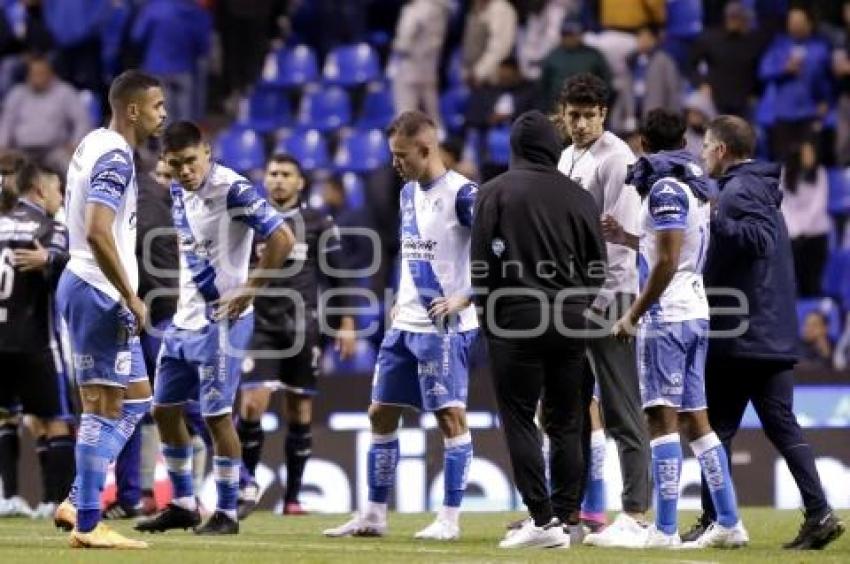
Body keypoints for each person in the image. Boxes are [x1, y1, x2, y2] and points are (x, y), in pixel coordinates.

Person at [686, 115, 845, 549]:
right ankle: (819, 514)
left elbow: (754, 241)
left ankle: (716, 520)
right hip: (766, 331)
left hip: (742, 334)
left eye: (705, 147)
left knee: (714, 429)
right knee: (779, 426)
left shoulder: (738, 191)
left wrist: (715, 215)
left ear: (720, 149)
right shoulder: (757, 187)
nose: (702, 156)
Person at [133, 121, 294, 536]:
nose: (185, 171)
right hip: (184, 320)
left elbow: (283, 238)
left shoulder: (233, 189)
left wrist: (249, 289)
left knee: (217, 416)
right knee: (164, 411)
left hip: (223, 321)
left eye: (191, 162)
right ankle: (185, 503)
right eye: (175, 165)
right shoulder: (176, 190)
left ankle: (226, 510)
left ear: (207, 152)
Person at [323, 111, 478, 541]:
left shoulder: (464, 196)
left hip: (445, 326)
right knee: (380, 412)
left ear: (426, 150)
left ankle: (449, 519)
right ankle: (374, 514)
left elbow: (498, 254)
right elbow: (414, 253)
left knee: (449, 417)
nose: (394, 163)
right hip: (405, 322)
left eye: (400, 155)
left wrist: (465, 298)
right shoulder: (408, 193)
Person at [604, 108, 748, 548]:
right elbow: (672, 246)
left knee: (660, 419)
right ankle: (728, 521)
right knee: (694, 419)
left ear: (643, 145)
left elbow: (667, 260)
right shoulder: (692, 183)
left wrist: (633, 315)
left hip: (667, 315)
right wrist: (629, 238)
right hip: (694, 310)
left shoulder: (664, 187)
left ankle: (664, 529)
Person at [472, 110, 606, 549]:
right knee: (567, 421)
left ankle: (542, 521)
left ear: (514, 147)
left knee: (520, 419)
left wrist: (490, 318)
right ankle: (568, 519)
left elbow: (481, 267)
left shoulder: (493, 192)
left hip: (515, 319)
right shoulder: (580, 196)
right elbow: (597, 267)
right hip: (570, 321)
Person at [53, 70, 167, 549]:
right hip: (99, 290)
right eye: (158, 106)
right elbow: (99, 229)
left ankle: (78, 496)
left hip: (85, 284)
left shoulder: (93, 141)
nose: (164, 114)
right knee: (102, 410)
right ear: (134, 109)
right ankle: (86, 523)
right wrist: (129, 293)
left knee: (138, 400)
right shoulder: (117, 158)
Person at [556, 73, 651, 545]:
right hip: (573, 298)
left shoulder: (618, 160)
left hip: (609, 298)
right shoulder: (567, 156)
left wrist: (602, 304)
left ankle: (635, 513)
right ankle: (568, 512)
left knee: (621, 409)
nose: (579, 124)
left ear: (603, 115)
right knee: (567, 409)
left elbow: (619, 241)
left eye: (587, 116)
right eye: (572, 116)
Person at [236, 155, 356, 518]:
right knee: (252, 405)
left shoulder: (319, 222)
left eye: (286, 174)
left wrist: (346, 321)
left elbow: (337, 276)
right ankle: (246, 488)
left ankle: (293, 498)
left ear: (300, 182)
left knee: (299, 410)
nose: (278, 180)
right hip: (260, 325)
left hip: (304, 326)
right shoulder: (251, 223)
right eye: (272, 173)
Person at [0, 162, 75, 519]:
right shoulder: (50, 227)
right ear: (41, 190)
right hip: (36, 341)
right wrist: (51, 258)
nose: (61, 199)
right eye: (59, 190)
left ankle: (8, 496)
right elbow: (64, 255)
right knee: (55, 418)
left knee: (4, 416)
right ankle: (56, 502)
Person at [0, 54, 91, 175]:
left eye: (42, 73)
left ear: (51, 74)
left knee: (73, 167)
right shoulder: (17, 94)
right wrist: (2, 146)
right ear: (28, 76)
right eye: (34, 74)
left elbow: (82, 121)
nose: (38, 78)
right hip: (21, 150)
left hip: (55, 150)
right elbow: (6, 123)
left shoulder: (65, 92)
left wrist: (75, 144)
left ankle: (78, 193)